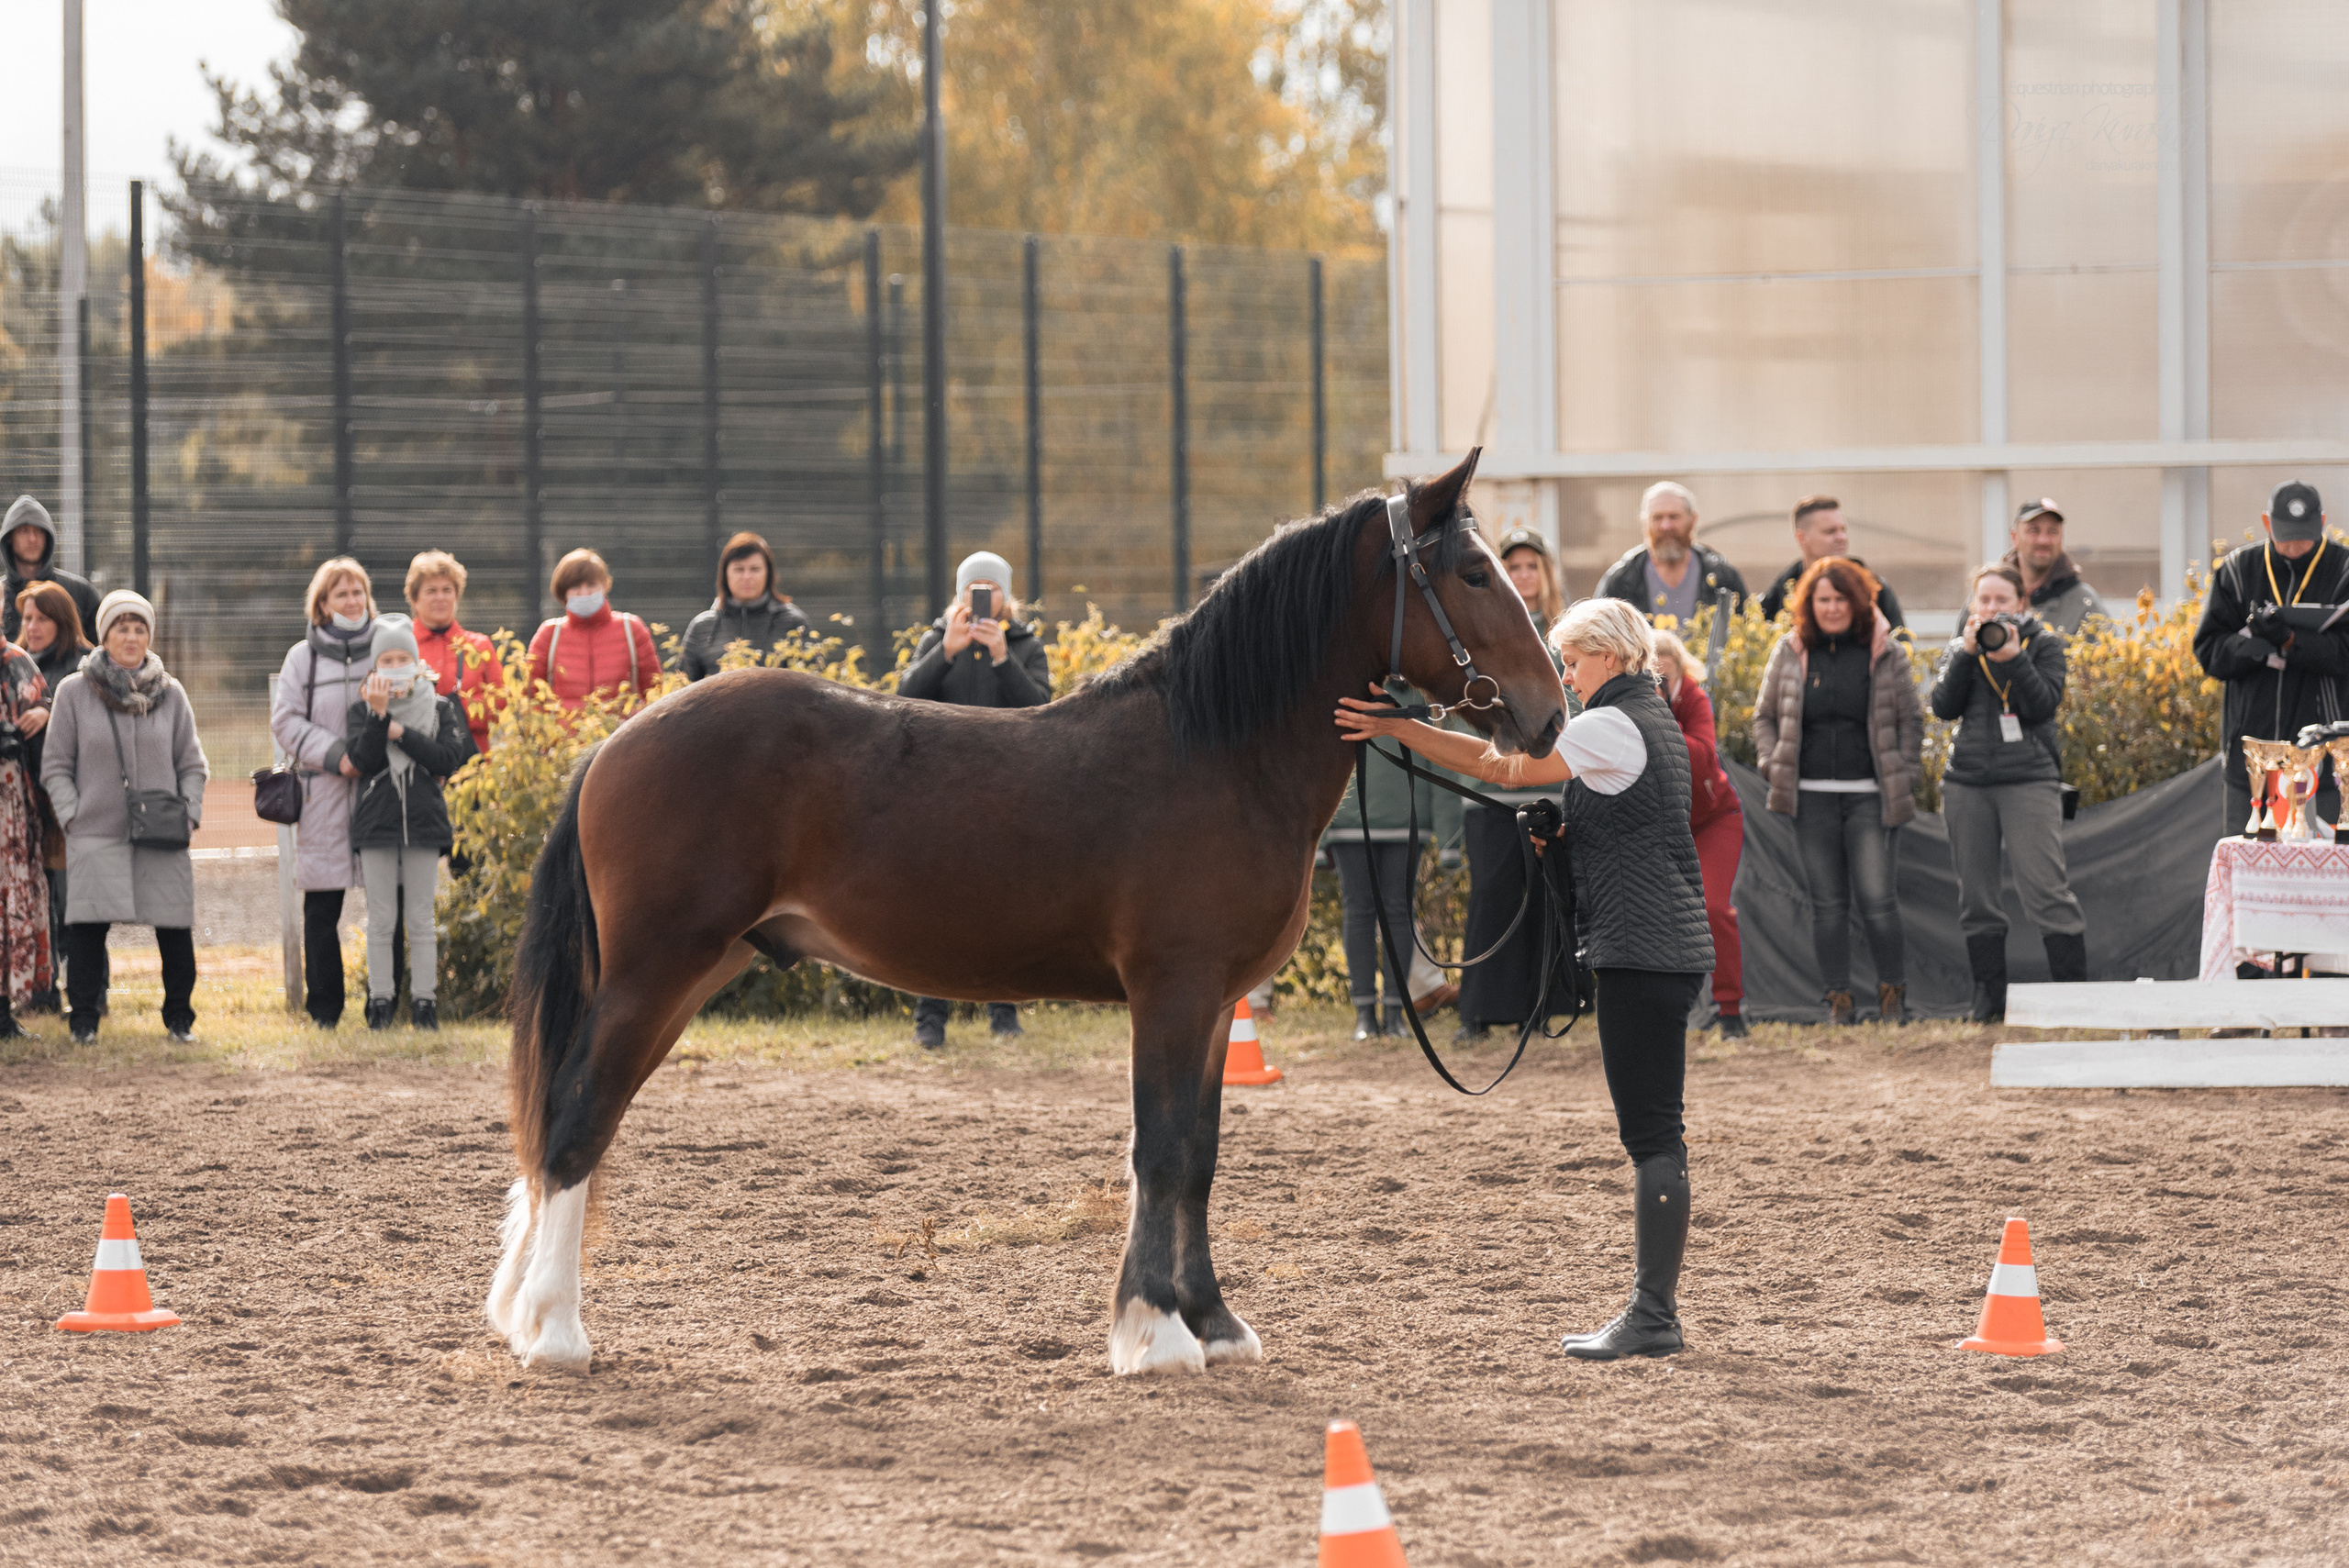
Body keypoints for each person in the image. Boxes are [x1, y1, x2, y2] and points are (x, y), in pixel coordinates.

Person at [1336, 596, 1713, 1361]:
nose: (1565, 676)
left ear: (1608, 656)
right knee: (1656, 1131)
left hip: (1643, 946)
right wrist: (1566, 834)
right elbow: (1624, 816)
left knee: (1652, 1135)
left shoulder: (1608, 721)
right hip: (1658, 942)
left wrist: (1398, 727)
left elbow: (1497, 764)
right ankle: (1653, 1310)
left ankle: (1654, 1315)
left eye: (1573, 661)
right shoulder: (1648, 717)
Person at [1753, 557, 1923, 1026]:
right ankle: (1839, 1002)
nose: (1831, 607)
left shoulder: (1884, 651)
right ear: (1809, 603)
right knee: (1827, 905)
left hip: (1871, 795)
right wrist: (1771, 764)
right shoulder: (1790, 650)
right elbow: (1764, 717)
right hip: (1810, 797)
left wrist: (1905, 772)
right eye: (1822, 599)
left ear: (1860, 602)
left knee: (1877, 899)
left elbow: (1911, 719)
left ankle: (1893, 998)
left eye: (1840, 598)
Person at [41, 591, 207, 1043]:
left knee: (174, 927)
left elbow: (192, 765)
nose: (130, 637)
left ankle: (179, 1021)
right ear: (104, 634)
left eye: (138, 629)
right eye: (121, 628)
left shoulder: (171, 694)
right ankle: (84, 1023)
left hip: (163, 833)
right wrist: (74, 816)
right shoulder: (74, 692)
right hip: (95, 831)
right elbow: (56, 765)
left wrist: (189, 813)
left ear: (148, 636)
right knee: (87, 930)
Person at [898, 552, 1050, 1048]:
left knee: (1003, 904)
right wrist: (945, 651)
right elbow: (903, 700)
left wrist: (1004, 658)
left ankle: (1004, 1013)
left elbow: (1043, 711)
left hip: (1008, 793)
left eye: (993, 588)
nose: (983, 597)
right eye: (974, 588)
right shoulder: (935, 639)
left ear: (1007, 596)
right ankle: (929, 1019)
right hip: (938, 792)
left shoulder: (1025, 645)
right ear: (960, 594)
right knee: (931, 905)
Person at [1932, 564, 2085, 1021]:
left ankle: (2074, 1000)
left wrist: (2014, 659)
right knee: (1976, 895)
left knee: (2045, 889)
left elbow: (2043, 705)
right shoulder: (1961, 647)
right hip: (1967, 782)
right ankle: (1988, 1000)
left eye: (2002, 600)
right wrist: (1967, 654)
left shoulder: (2045, 645)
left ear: (2022, 603)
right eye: (1984, 600)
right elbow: (1942, 708)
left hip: (2029, 781)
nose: (1992, 608)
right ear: (1973, 605)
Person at [1455, 527, 1567, 1042]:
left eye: (1531, 567)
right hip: (1491, 796)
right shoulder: (1478, 634)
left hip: (1549, 793)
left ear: (1546, 574)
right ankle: (1477, 1012)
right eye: (1513, 567)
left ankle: (1539, 1009)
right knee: (1492, 900)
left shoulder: (1568, 636)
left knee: (1546, 901)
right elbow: (1461, 718)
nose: (1523, 576)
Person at [2195, 481, 2349, 839]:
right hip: (2251, 760)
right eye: (2285, 537)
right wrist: (2256, 647)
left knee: (2324, 879)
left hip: (2326, 767)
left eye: (2304, 538)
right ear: (2266, 523)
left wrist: (2293, 641)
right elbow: (2209, 652)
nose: (2294, 548)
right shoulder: (2236, 570)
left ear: (2323, 522)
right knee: (2249, 872)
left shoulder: (2343, 570)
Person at [346, 617, 477, 1030]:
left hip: (424, 823)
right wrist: (379, 717)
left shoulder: (441, 706)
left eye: (404, 657)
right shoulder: (360, 710)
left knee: (421, 919)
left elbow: (447, 759)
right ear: (375, 665)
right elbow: (362, 760)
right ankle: (380, 1004)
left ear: (417, 661)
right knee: (381, 919)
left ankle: (425, 1005)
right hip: (376, 825)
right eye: (387, 658)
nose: (396, 664)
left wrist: (398, 731)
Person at [272, 557, 380, 1028]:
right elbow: (286, 721)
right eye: (341, 594)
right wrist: (339, 755)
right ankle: (325, 1010)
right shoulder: (303, 657)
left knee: (387, 905)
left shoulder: (389, 648)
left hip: (381, 796)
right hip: (324, 799)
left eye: (358, 592)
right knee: (321, 910)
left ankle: (384, 1005)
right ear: (322, 604)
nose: (352, 601)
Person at [1320, 698, 1463, 1040]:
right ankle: (1365, 1016)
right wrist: (1319, 837)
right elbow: (1318, 756)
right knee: (1360, 911)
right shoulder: (1343, 680)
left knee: (1398, 911)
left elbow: (1439, 757)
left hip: (1406, 821)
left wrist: (1449, 839)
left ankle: (1396, 1013)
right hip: (1349, 822)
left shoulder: (1413, 688)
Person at [1652, 628, 1745, 1038]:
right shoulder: (1617, 705)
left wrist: (1656, 716)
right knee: (1654, 917)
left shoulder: (1692, 698)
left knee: (1713, 908)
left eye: (1663, 674)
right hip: (1659, 826)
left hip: (1713, 819)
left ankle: (1730, 1009)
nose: (1656, 681)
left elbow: (1704, 758)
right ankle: (1665, 1012)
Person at [16, 583, 88, 1015]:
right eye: (27, 618)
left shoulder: (85, 666)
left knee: (75, 904)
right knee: (38, 901)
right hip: (27, 805)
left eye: (42, 618)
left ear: (62, 621)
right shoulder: (18, 663)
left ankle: (90, 995)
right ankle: (43, 994)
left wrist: (49, 707)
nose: (32, 626)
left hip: (71, 806)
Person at [1594, 482, 1749, 628]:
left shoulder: (1723, 577)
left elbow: (1745, 632)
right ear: (1645, 523)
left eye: (1674, 517)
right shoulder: (1622, 581)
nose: (1666, 526)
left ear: (1692, 520)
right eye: (1658, 518)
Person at [527, 550, 662, 710]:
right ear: (563, 591)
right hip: (563, 733)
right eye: (575, 586)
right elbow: (530, 697)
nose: (584, 593)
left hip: (622, 731)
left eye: (591, 584)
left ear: (605, 586)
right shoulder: (549, 634)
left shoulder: (631, 628)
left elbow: (655, 692)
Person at [1756, 495, 1908, 630]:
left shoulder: (1873, 587)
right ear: (1801, 537)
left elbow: (1900, 646)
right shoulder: (1783, 590)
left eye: (1843, 530)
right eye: (1830, 531)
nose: (1841, 537)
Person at [683, 531, 815, 682]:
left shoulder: (794, 624)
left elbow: (813, 687)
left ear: (768, 573)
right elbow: (682, 692)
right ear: (725, 574)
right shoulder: (702, 627)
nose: (747, 577)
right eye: (739, 569)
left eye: (755, 569)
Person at [406, 551, 496, 754]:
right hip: (417, 761)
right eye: (431, 590)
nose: (440, 597)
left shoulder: (480, 646)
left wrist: (453, 712)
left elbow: (500, 705)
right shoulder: (402, 647)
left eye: (447, 590)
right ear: (414, 599)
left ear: (456, 595)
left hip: (473, 769)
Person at [0, 495, 101, 649]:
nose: (32, 539)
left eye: (39, 531)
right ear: (9, 538)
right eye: (24, 531)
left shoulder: (79, 592)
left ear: (48, 536)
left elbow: (100, 654)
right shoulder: (1, 596)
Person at [2001, 498, 2106, 636]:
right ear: (2015, 537)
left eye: (2053, 531)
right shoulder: (1986, 595)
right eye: (2034, 530)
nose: (2044, 540)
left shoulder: (2084, 604)